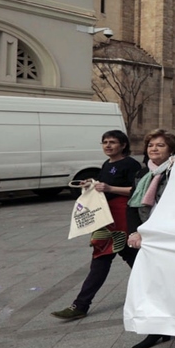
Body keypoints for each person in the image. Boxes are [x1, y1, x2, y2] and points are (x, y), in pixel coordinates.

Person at [51, 130, 141, 322]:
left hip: (122, 219)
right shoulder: (107, 164)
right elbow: (104, 187)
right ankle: (80, 305)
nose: (108, 145)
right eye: (105, 142)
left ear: (123, 145)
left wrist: (110, 188)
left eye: (113, 142)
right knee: (106, 260)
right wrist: (91, 185)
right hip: (106, 220)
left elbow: (137, 191)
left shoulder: (130, 164)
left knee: (128, 260)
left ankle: (81, 305)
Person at [125, 129, 175, 348]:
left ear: (172, 150)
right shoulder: (143, 174)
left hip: (173, 236)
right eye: (151, 145)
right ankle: (157, 329)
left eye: (160, 145)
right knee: (153, 285)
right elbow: (132, 205)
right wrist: (134, 232)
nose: (154, 149)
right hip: (148, 235)